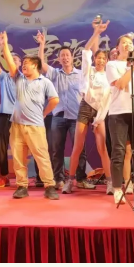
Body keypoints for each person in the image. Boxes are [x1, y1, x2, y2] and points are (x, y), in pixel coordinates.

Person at [0, 31, 60, 200]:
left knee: (42, 156)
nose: (23, 66)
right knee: (18, 158)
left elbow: (54, 100)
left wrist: (44, 113)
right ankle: (22, 186)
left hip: (35, 126)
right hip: (17, 125)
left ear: (35, 66)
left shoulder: (45, 82)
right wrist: (4, 44)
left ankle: (49, 186)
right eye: (23, 63)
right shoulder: (19, 79)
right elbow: (9, 62)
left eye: (27, 63)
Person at [37, 31, 93, 190]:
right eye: (62, 55)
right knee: (56, 150)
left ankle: (80, 179)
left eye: (67, 55)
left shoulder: (81, 74)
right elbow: (41, 64)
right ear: (59, 59)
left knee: (79, 149)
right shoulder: (55, 73)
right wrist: (42, 44)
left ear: (72, 57)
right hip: (58, 117)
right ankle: (58, 179)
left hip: (77, 117)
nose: (65, 58)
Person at [63, 19, 113, 195]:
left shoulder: (109, 76)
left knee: (102, 148)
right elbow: (86, 50)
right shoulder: (88, 70)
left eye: (103, 58)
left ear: (107, 61)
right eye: (98, 57)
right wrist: (96, 32)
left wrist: (99, 119)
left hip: (100, 111)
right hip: (85, 107)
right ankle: (70, 181)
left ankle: (110, 182)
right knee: (77, 146)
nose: (100, 60)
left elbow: (107, 100)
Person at [105, 33, 134, 205]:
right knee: (118, 151)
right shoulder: (112, 65)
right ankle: (118, 189)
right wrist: (132, 67)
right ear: (117, 48)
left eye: (130, 43)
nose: (127, 45)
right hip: (118, 113)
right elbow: (120, 84)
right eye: (123, 43)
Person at [0, 33, 22, 188]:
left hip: (19, 116)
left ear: (20, 64)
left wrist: (5, 45)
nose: (13, 61)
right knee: (2, 146)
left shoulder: (22, 77)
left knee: (19, 146)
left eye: (16, 60)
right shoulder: (3, 77)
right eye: (11, 59)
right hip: (4, 115)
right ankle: (3, 176)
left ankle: (21, 176)